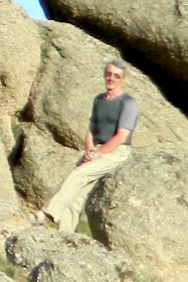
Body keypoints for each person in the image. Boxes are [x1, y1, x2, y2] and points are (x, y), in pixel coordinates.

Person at [30, 58, 140, 233]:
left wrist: (98, 154)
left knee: (78, 174)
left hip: (116, 152)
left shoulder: (128, 103)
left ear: (122, 79)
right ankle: (64, 236)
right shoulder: (99, 100)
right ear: (104, 75)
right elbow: (91, 128)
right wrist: (89, 150)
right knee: (76, 197)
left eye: (116, 76)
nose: (111, 78)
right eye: (109, 74)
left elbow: (121, 136)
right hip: (96, 149)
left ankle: (44, 214)